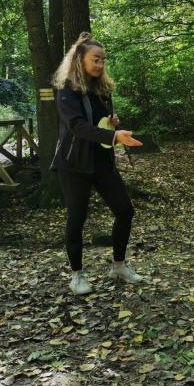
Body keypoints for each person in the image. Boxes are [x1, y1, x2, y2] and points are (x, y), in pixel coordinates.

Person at [51, 32, 143, 295]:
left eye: (103, 60)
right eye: (95, 59)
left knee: (125, 211)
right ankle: (77, 275)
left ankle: (119, 265)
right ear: (80, 59)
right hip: (74, 164)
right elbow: (77, 126)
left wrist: (113, 125)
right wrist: (115, 135)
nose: (100, 64)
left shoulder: (102, 90)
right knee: (77, 218)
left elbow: (100, 125)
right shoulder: (66, 90)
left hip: (102, 162)